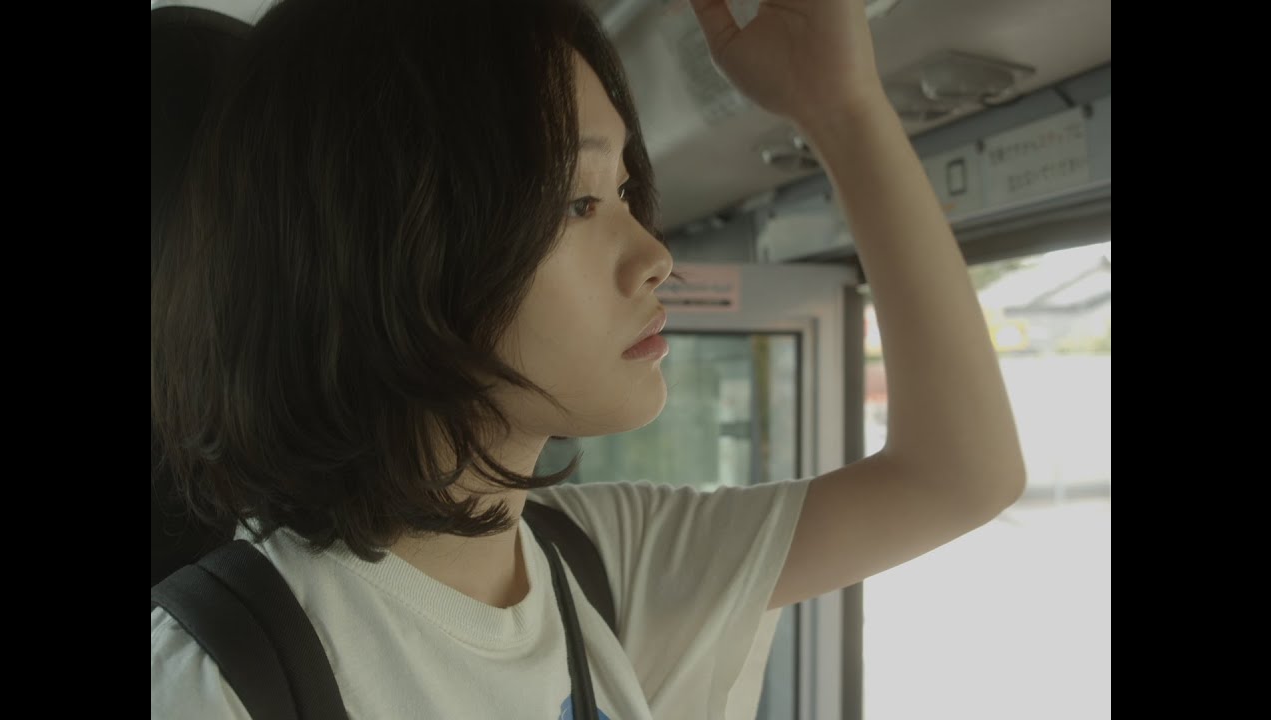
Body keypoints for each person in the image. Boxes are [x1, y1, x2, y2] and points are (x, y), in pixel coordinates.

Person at [150, 0, 1026, 717]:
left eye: (624, 192)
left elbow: (958, 475)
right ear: (396, 253)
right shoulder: (217, 683)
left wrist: (843, 106)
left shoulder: (602, 562)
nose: (654, 255)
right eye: (575, 203)